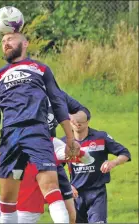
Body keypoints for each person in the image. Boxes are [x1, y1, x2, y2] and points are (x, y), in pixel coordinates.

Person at [0, 32, 80, 223]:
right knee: (8, 199)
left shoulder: (40, 69)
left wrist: (70, 137)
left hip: (36, 131)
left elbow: (58, 102)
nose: (6, 43)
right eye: (3, 41)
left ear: (25, 43)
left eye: (10, 39)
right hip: (10, 135)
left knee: (51, 189)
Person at [0, 137, 94, 223]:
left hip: (27, 210)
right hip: (7, 202)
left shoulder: (50, 144)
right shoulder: (11, 140)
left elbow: (87, 159)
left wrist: (77, 152)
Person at [62, 113, 131, 223]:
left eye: (80, 123)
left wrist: (113, 162)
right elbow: (55, 169)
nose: (77, 125)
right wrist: (67, 186)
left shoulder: (101, 137)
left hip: (97, 193)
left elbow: (125, 153)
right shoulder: (64, 142)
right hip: (75, 194)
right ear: (70, 122)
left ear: (88, 121)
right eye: (74, 122)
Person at [48, 90, 91, 223]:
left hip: (51, 150)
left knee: (71, 215)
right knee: (26, 212)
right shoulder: (22, 93)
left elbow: (84, 111)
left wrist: (74, 117)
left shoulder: (56, 93)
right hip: (31, 155)